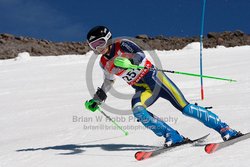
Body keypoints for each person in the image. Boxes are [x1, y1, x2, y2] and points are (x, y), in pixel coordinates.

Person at [85, 25, 241, 146]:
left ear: (108, 38)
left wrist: (130, 62)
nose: (98, 48)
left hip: (156, 80)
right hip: (143, 89)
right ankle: (172, 135)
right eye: (94, 46)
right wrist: (97, 99)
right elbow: (109, 81)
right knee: (138, 110)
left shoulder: (123, 45)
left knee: (185, 108)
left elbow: (140, 55)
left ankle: (225, 129)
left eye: (100, 43)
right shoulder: (103, 63)